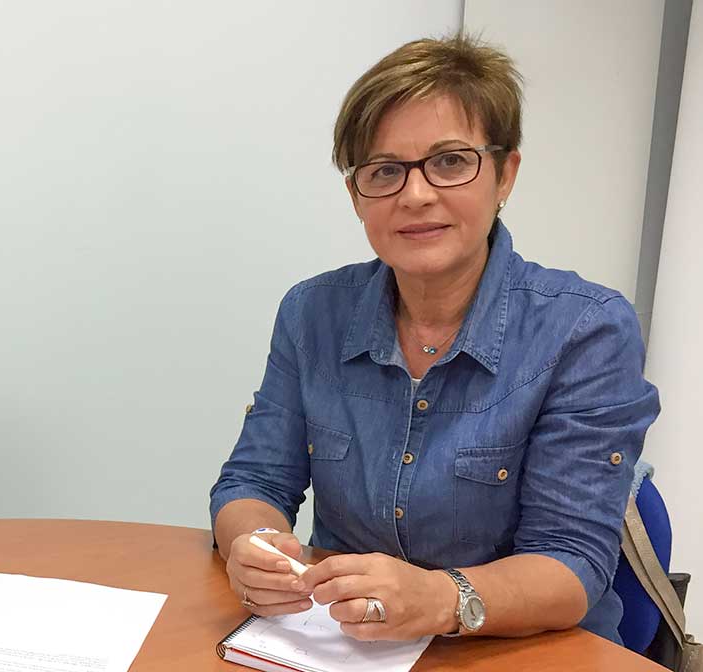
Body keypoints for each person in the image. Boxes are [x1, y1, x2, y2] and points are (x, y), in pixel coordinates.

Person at [209, 34, 659, 644]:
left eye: (450, 161)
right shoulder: (311, 312)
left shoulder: (586, 330)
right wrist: (255, 545)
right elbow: (254, 481)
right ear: (357, 195)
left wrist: (443, 598)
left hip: (519, 648)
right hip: (344, 644)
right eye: (385, 171)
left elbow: (572, 560)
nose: (415, 195)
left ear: (505, 174)